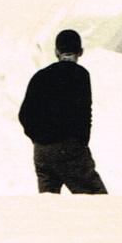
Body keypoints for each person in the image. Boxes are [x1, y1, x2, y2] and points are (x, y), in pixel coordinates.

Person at [18, 29, 108, 195]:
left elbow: (24, 114)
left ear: (56, 52)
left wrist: (39, 139)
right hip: (70, 148)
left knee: (50, 204)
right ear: (80, 52)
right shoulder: (80, 75)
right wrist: (79, 143)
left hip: (41, 151)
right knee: (96, 200)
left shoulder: (40, 76)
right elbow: (84, 113)